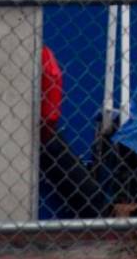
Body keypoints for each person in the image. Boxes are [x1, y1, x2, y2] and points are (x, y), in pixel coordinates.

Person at [40, 46, 108, 218]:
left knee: (78, 182)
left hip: (42, 130)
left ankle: (95, 214)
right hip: (43, 129)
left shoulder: (38, 52)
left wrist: (45, 127)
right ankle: (96, 214)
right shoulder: (39, 52)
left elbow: (52, 79)